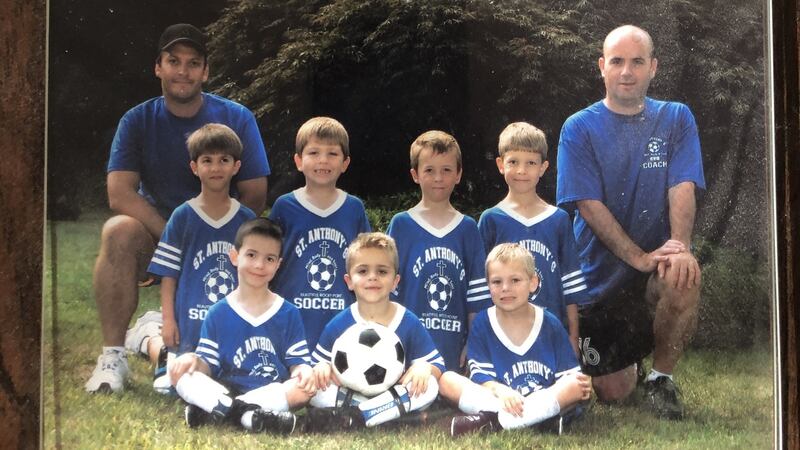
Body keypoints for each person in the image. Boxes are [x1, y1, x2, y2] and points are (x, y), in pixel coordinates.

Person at [85, 23, 270, 394]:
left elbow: (255, 193)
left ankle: (154, 335)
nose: (182, 71)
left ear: (205, 71)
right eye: (173, 61)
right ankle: (112, 357)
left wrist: (214, 237)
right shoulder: (136, 120)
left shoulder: (236, 117)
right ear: (158, 67)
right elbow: (119, 193)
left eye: (193, 62)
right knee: (118, 230)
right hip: (162, 233)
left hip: (222, 239)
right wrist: (176, 238)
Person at [555, 25, 704, 419]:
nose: (627, 71)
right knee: (614, 392)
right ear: (602, 67)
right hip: (596, 282)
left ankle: (661, 380)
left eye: (637, 62)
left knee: (682, 273)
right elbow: (588, 205)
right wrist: (637, 256)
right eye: (617, 61)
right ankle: (628, 367)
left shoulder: (675, 118)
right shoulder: (578, 127)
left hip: (651, 271)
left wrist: (678, 247)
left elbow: (682, 185)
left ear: (653, 67)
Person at [125, 124, 256, 393]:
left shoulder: (247, 220)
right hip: (189, 326)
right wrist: (170, 321)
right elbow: (169, 275)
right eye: (207, 160)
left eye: (224, 160)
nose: (216, 167)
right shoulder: (183, 217)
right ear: (195, 167)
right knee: (169, 387)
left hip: (232, 326)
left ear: (236, 166)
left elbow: (256, 278)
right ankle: (152, 340)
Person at [168, 218, 315, 433]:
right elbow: (207, 365)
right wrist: (192, 360)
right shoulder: (217, 312)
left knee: (303, 390)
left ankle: (221, 412)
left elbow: (297, 363)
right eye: (251, 255)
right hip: (224, 389)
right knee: (179, 372)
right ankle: (249, 416)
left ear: (278, 265)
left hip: (271, 392)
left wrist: (304, 370)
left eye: (269, 258)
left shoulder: (289, 312)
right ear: (235, 256)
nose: (259, 265)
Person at [439, 243, 592, 437]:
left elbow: (568, 377)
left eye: (515, 280)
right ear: (488, 285)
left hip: (541, 397)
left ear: (533, 282)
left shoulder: (550, 323)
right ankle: (540, 421)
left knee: (576, 385)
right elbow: (482, 380)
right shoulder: (483, 323)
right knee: (447, 380)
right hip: (499, 398)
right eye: (496, 282)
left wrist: (575, 387)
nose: (505, 288)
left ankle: (492, 422)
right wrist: (503, 392)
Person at [307, 232, 445, 430]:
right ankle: (384, 418)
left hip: (395, 394)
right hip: (353, 396)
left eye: (382, 271)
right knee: (316, 389)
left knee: (429, 385)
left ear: (395, 281)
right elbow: (317, 364)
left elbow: (437, 364)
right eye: (363, 271)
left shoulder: (408, 321)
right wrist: (322, 367)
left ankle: (359, 417)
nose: (372, 277)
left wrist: (424, 367)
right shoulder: (339, 324)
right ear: (349, 281)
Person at [478, 122, 589, 354]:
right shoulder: (491, 220)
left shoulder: (558, 219)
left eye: (531, 163)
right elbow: (481, 287)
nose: (521, 170)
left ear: (543, 167)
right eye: (513, 162)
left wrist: (573, 337)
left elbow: (570, 285)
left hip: (552, 331)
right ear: (500, 164)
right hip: (503, 331)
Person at [386, 130, 490, 372]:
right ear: (415, 174)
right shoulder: (401, 224)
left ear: (458, 174)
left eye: (446, 170)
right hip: (407, 344)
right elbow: (388, 290)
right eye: (429, 170)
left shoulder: (467, 228)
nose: (438, 178)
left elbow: (477, 297)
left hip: (453, 344)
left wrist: (472, 344)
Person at [268, 117, 371, 350]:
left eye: (332, 154)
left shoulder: (353, 208)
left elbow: (367, 263)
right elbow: (268, 262)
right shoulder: (284, 207)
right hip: (291, 317)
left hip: (340, 319)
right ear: (298, 161)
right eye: (313, 153)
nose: (323, 160)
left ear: (345, 163)